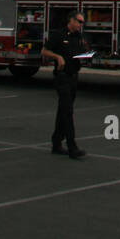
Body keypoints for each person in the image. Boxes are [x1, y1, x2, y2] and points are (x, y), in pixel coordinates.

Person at [41, 13, 88, 158]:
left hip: (74, 76)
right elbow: (44, 51)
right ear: (71, 21)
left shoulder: (78, 37)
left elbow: (79, 54)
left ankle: (56, 143)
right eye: (79, 21)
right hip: (62, 77)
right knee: (67, 111)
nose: (81, 24)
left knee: (63, 110)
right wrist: (58, 57)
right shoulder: (59, 35)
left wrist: (87, 55)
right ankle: (72, 147)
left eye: (82, 22)